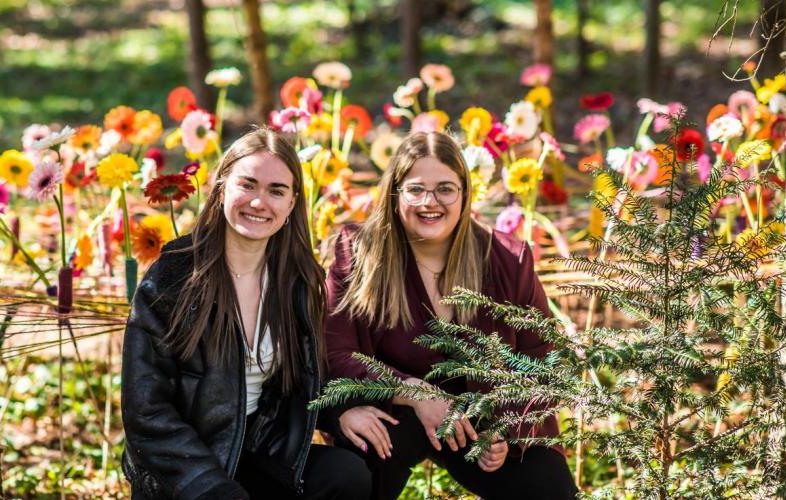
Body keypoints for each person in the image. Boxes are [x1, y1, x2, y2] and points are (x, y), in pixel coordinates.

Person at [323, 131, 577, 499]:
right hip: (398, 409)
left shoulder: (507, 259)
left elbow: (542, 360)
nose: (431, 202)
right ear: (395, 195)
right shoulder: (360, 252)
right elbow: (336, 352)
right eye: (416, 190)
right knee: (364, 452)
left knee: (547, 485)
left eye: (445, 188)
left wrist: (504, 428)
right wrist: (410, 391)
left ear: (464, 194)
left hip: (485, 418)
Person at [121, 128, 371, 500]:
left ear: (291, 204)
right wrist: (211, 486)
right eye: (247, 185)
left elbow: (305, 377)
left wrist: (341, 412)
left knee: (346, 475)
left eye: (276, 190)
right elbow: (145, 410)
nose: (259, 202)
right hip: (186, 467)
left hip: (258, 448)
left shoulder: (296, 278)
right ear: (222, 188)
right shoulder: (176, 274)